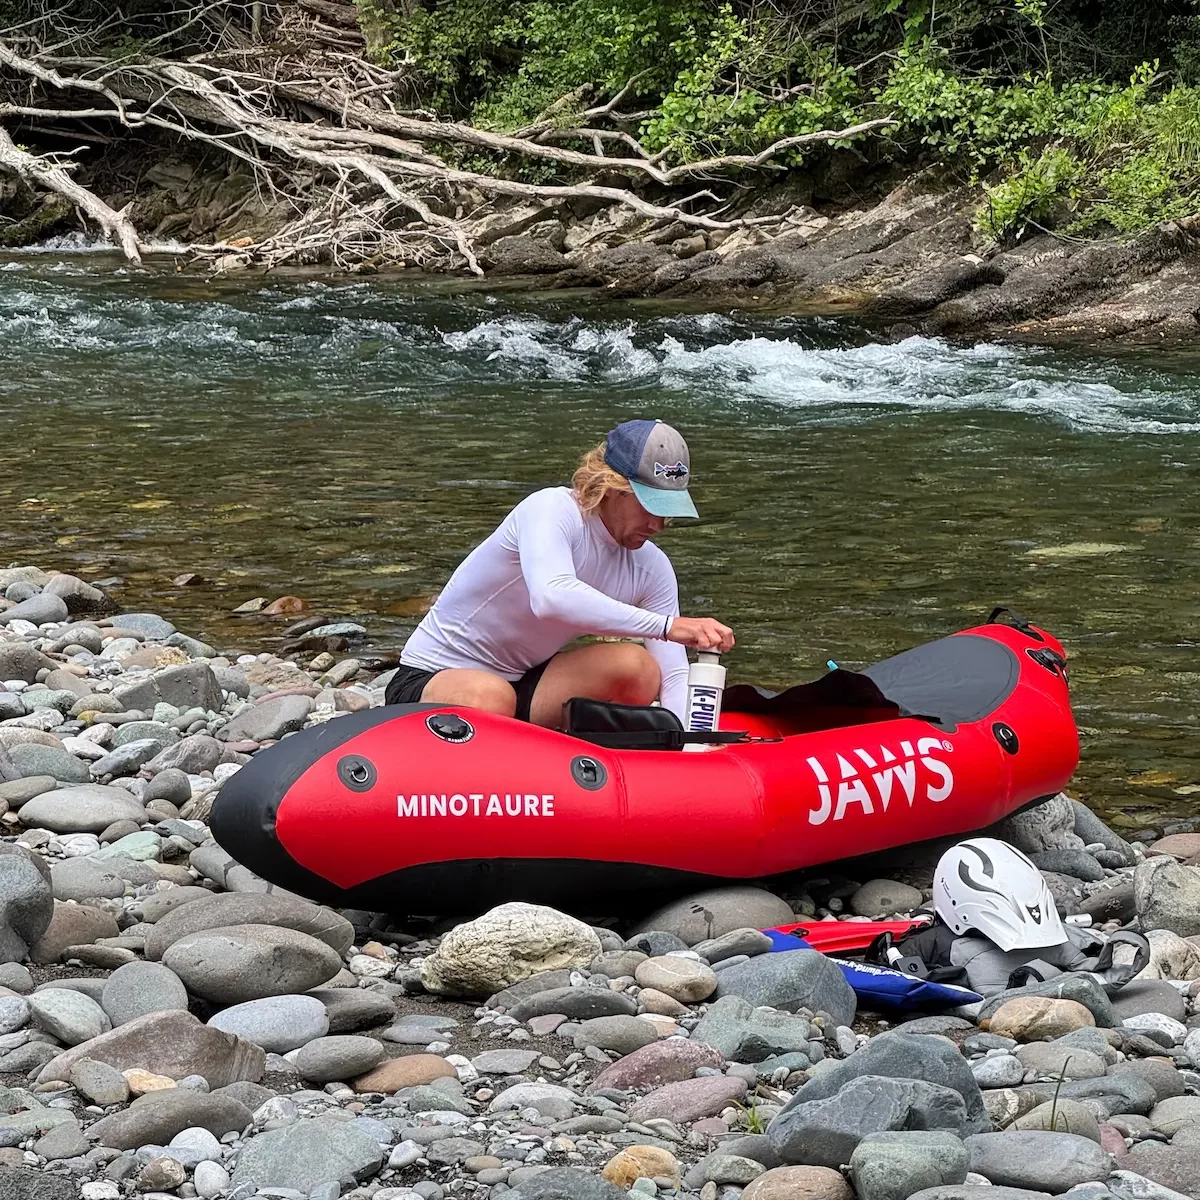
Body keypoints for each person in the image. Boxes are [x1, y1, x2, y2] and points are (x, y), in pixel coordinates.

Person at [385, 419, 734, 727]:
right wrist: (667, 626)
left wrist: (693, 742)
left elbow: (673, 676)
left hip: (525, 683)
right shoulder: (551, 509)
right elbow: (552, 597)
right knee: (490, 698)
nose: (658, 525)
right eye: (651, 507)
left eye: (669, 511)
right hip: (430, 677)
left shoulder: (652, 567)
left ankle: (564, 765)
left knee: (638, 669)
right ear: (612, 487)